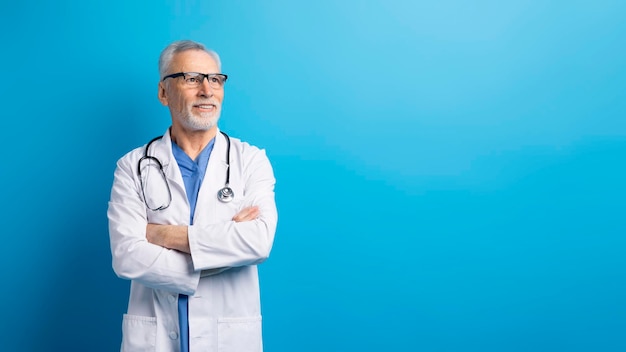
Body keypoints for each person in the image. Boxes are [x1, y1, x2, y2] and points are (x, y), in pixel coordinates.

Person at [107, 39, 278, 352]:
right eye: (191, 79)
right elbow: (127, 257)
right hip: (155, 339)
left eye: (215, 79)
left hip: (229, 338)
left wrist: (159, 235)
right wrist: (222, 250)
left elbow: (258, 241)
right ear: (163, 93)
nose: (207, 90)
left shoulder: (250, 160)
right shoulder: (132, 166)